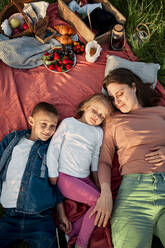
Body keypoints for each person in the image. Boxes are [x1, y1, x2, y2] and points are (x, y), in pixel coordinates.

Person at [89, 68, 165, 248]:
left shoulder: (161, 112)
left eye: (120, 93)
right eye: (113, 98)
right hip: (133, 196)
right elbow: (105, 161)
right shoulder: (114, 121)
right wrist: (105, 193)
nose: (117, 101)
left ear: (133, 87)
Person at [0, 102, 71, 248]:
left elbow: (56, 185)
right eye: (43, 124)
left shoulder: (52, 149)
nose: (48, 130)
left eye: (53, 126)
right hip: (10, 216)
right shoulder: (13, 140)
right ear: (31, 121)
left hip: (40, 217)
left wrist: (62, 215)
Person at [47, 93, 113, 248]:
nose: (97, 116)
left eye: (102, 116)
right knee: (99, 202)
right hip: (65, 177)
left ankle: (70, 234)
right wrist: (53, 174)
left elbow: (95, 160)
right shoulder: (69, 123)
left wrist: (98, 183)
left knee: (102, 203)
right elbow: (54, 149)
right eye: (95, 110)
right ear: (85, 107)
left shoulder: (98, 133)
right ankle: (81, 243)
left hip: (84, 178)